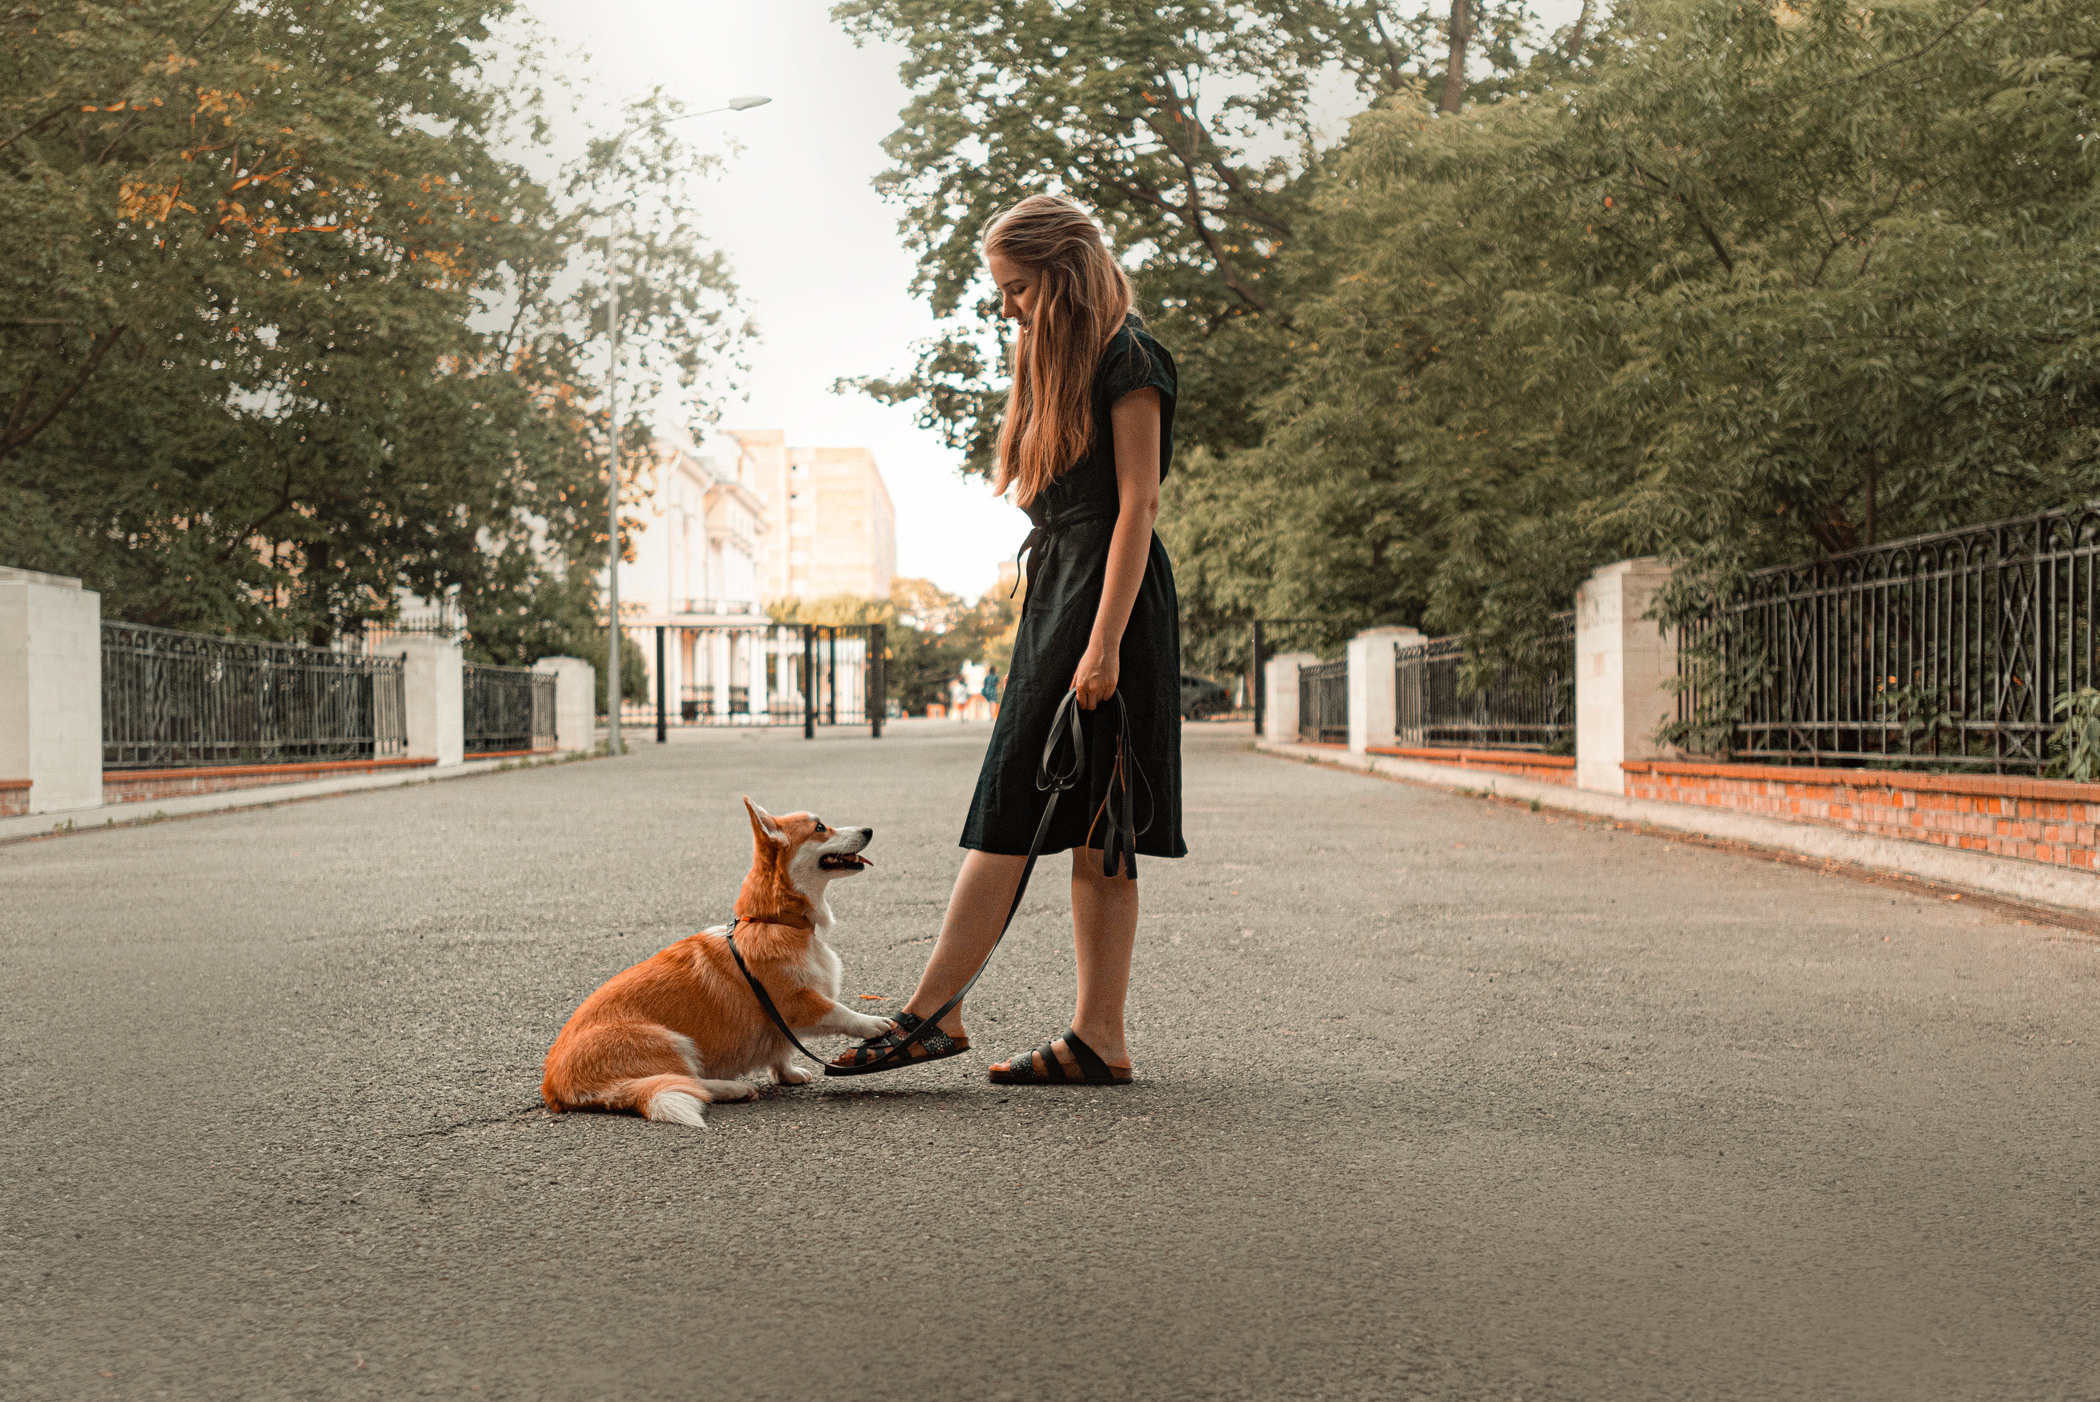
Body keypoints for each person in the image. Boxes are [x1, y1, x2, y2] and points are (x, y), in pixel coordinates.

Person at [831, 194, 1185, 1086]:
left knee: (1082, 819)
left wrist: (1103, 645)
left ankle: (945, 1014)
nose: (1006, 307)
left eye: (1018, 288)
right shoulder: (1055, 360)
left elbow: (1138, 504)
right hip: (1064, 592)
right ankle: (1074, 1035)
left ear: (1065, 274)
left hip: (1109, 601)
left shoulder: (1131, 357)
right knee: (1039, 806)